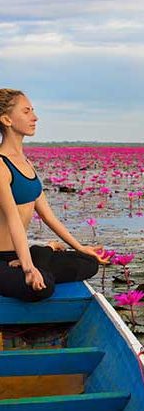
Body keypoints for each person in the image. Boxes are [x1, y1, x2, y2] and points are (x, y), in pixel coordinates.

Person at [0, 88, 105, 302]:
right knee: (42, 287)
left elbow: (48, 217)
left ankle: (38, 256)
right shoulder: (1, 165)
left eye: (33, 111)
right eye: (27, 111)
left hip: (20, 255)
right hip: (2, 259)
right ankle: (41, 255)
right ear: (6, 119)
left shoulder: (27, 164)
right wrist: (29, 268)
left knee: (88, 262)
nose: (35, 117)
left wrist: (80, 247)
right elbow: (14, 221)